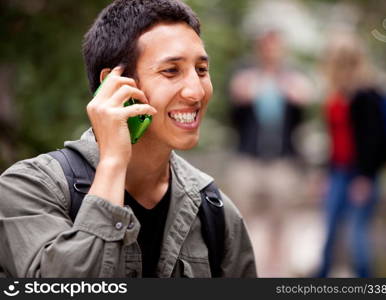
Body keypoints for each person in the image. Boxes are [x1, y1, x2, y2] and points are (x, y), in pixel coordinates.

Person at [0, 0, 257, 278]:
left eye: (202, 70)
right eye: (171, 71)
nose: (196, 92)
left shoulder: (215, 211)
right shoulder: (29, 189)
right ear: (115, 85)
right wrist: (112, 163)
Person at [227, 30, 310, 276]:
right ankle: (246, 271)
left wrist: (298, 99)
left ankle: (278, 273)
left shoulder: (293, 78)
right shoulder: (244, 75)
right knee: (241, 219)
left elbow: (300, 121)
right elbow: (232, 118)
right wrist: (239, 98)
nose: (271, 51)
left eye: (276, 46)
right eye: (267, 46)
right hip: (248, 158)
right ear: (259, 48)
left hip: (283, 160)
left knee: (281, 222)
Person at [317, 33, 386, 277]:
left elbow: (372, 140)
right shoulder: (335, 95)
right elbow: (334, 140)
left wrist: (365, 177)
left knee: (357, 233)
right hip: (338, 170)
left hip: (360, 173)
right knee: (329, 230)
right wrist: (326, 175)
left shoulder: (366, 95)